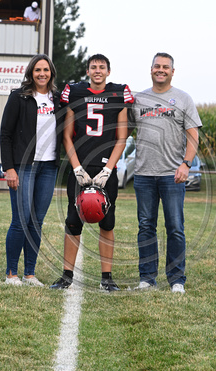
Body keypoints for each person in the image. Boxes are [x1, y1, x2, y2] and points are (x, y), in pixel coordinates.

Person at [50, 54, 134, 292]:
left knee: (107, 223)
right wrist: (76, 167)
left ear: (109, 71)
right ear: (87, 71)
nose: (97, 70)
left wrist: (108, 170)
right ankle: (67, 276)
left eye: (102, 67)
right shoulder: (74, 92)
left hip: (105, 168)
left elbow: (122, 137)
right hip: (80, 167)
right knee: (73, 222)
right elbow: (66, 135)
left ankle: (106, 278)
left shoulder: (119, 93)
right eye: (93, 67)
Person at [131, 53, 202, 294]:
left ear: (173, 71)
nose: (160, 70)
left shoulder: (183, 99)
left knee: (175, 227)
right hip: (143, 174)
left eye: (165, 67)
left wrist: (186, 164)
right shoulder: (138, 99)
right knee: (146, 227)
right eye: (157, 66)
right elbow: (120, 129)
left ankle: (176, 279)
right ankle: (147, 278)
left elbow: (193, 136)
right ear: (150, 69)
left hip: (173, 175)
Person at [0, 54, 63, 286]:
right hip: (23, 167)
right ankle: (11, 274)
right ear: (31, 72)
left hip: (48, 167)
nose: (42, 74)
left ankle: (29, 273)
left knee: (37, 221)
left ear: (51, 73)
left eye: (46, 70)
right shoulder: (18, 97)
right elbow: (5, 134)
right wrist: (9, 168)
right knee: (20, 220)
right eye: (37, 70)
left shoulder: (58, 99)